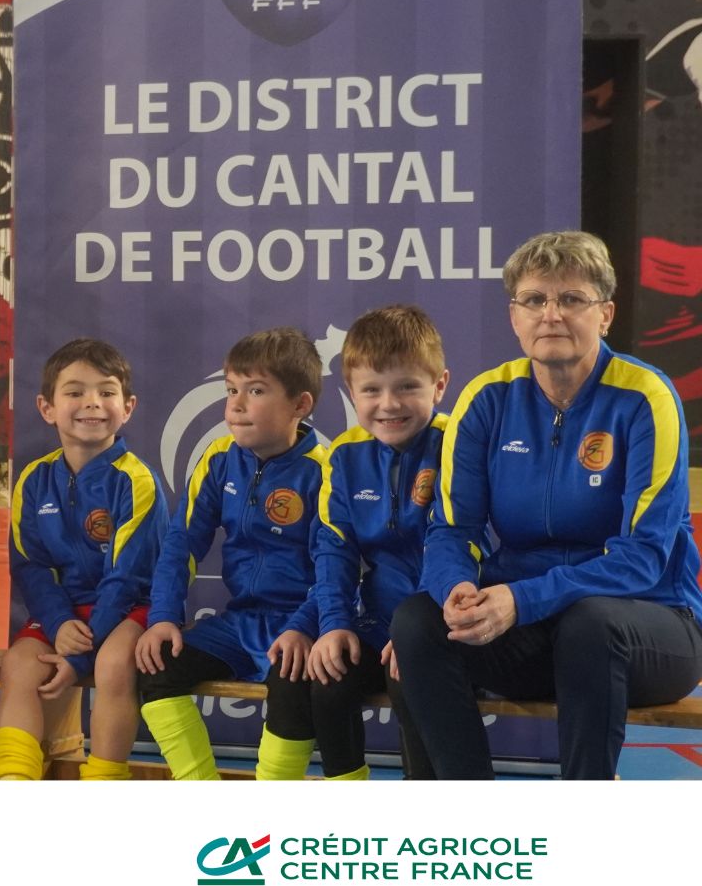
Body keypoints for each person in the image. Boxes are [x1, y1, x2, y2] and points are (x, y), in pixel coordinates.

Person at [393, 231, 702, 779]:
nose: (551, 314)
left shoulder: (645, 398)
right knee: (418, 621)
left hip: (651, 625)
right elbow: (452, 531)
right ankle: (464, 812)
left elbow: (644, 557)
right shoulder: (486, 399)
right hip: (531, 628)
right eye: (534, 299)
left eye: (572, 299)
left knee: (591, 624)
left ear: (605, 315)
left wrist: (522, 598)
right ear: (514, 317)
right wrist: (455, 589)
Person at [136, 327, 327, 780]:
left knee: (293, 683)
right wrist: (163, 616)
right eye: (231, 390)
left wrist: (304, 628)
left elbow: (337, 573)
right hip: (240, 624)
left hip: (304, 625)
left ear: (300, 405)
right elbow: (181, 544)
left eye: (255, 391)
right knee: (157, 667)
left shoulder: (326, 470)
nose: (236, 405)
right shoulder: (219, 459)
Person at [0, 339, 163, 781]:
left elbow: (128, 578)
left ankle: (104, 778)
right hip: (67, 611)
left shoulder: (136, 480)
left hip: (132, 608)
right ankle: (13, 778)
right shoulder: (34, 479)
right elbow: (30, 566)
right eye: (75, 392)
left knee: (113, 664)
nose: (92, 403)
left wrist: (80, 656)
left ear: (128, 407)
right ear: (47, 408)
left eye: (106, 392)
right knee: (20, 664)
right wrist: (60, 622)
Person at [300, 306, 444, 780]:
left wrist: (422, 631)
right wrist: (334, 624)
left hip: (441, 618)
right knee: (328, 678)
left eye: (407, 387)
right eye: (371, 390)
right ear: (350, 392)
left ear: (439, 386)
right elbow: (334, 549)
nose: (389, 404)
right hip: (378, 619)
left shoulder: (457, 445)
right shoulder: (344, 454)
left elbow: (463, 546)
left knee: (413, 682)